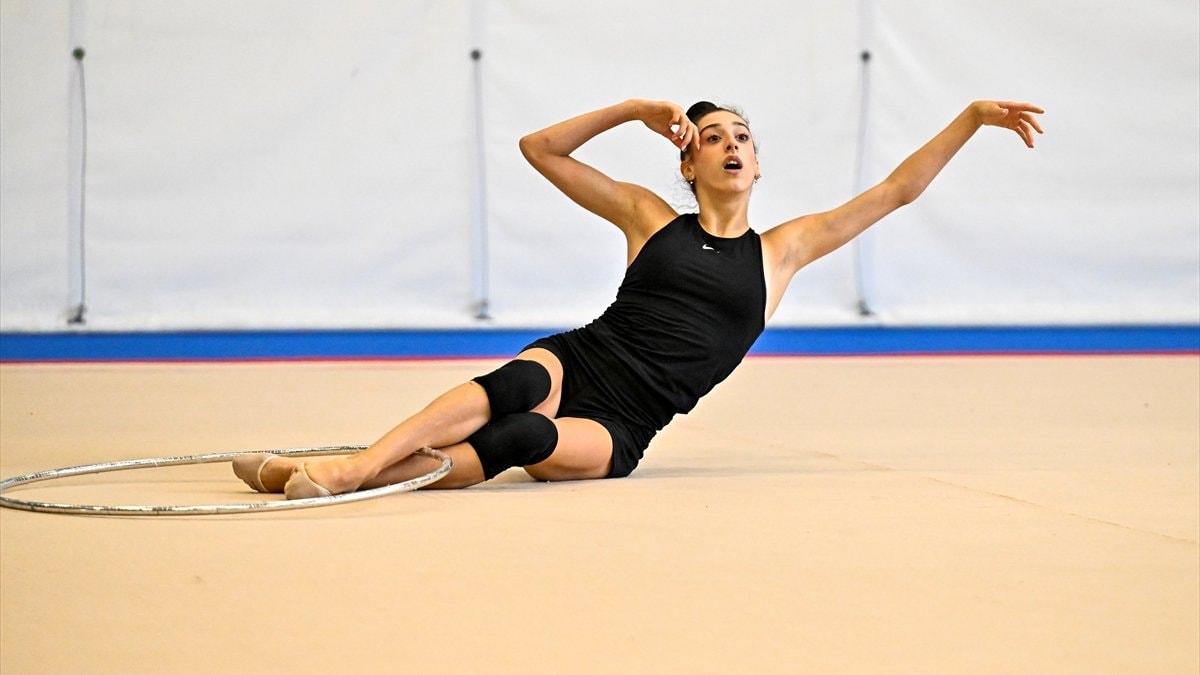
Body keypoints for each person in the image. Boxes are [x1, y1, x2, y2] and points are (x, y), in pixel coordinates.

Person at [232, 97, 1044, 498]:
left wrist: (971, 117)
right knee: (518, 383)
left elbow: (897, 191)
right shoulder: (648, 216)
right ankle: (351, 469)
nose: (731, 145)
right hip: (580, 358)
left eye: (743, 137)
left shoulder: (781, 251)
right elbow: (538, 149)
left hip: (622, 424)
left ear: (758, 164)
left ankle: (340, 473)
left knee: (521, 434)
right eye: (714, 137)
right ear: (689, 163)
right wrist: (634, 110)